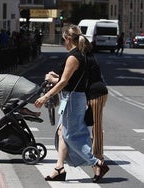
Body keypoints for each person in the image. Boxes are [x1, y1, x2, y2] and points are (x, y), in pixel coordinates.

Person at [34, 24, 109, 183]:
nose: (64, 43)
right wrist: (55, 78)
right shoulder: (79, 54)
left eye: (64, 40)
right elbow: (67, 79)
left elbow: (63, 82)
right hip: (73, 97)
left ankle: (97, 163)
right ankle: (59, 168)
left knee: (72, 135)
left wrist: (45, 97)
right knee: (63, 132)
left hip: (73, 99)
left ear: (68, 39)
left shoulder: (74, 57)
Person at [85, 54, 108, 160]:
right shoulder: (87, 57)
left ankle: (98, 154)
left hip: (96, 93)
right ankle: (88, 150)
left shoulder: (83, 58)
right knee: (88, 121)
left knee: (96, 124)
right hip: (93, 92)